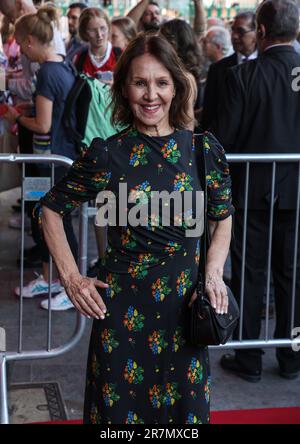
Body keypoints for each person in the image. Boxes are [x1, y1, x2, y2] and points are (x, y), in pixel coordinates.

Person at [39, 33, 233, 424]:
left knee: (183, 421)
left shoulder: (201, 150)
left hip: (185, 319)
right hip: (122, 320)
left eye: (161, 82)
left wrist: (213, 271)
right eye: (140, 82)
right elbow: (49, 210)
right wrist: (73, 279)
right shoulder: (108, 154)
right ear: (124, 88)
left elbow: (223, 215)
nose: (151, 95)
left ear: (176, 87)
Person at [213, 0, 300, 382]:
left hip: (252, 192)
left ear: (261, 31)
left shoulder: (244, 76)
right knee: (293, 276)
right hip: (296, 193)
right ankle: (293, 357)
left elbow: (222, 140)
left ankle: (249, 357)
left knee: (249, 275)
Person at [3, 5, 78, 311]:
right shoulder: (63, 64)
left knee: (53, 221)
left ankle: (69, 282)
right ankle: (51, 277)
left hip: (49, 162)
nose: (21, 50)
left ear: (31, 41)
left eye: (21, 45)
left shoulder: (46, 72)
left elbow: (43, 125)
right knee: (41, 218)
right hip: (49, 160)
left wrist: (16, 117)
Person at [202, 11, 257, 131]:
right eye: (233, 30)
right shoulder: (217, 69)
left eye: (241, 31)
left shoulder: (266, 67)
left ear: (256, 33)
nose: (235, 36)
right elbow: (208, 113)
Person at [160, 19, 203, 130]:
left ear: (174, 44)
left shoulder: (185, 78)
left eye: (162, 39)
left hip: (175, 143)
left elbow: (187, 123)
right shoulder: (174, 72)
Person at [73, 7, 121, 79]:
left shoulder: (121, 55)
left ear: (108, 28)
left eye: (103, 28)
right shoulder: (79, 59)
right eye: (92, 30)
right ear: (84, 33)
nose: (99, 34)